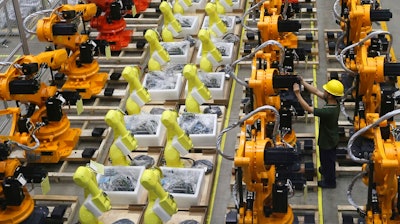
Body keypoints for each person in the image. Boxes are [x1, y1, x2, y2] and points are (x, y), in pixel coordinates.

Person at [293, 78, 344, 188]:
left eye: (326, 91)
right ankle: (325, 170)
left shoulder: (328, 111)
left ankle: (330, 182)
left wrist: (297, 94)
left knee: (327, 161)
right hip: (331, 137)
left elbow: (308, 108)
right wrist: (302, 81)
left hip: (328, 141)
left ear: (330, 95)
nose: (323, 92)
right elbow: (315, 91)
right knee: (326, 160)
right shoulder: (334, 102)